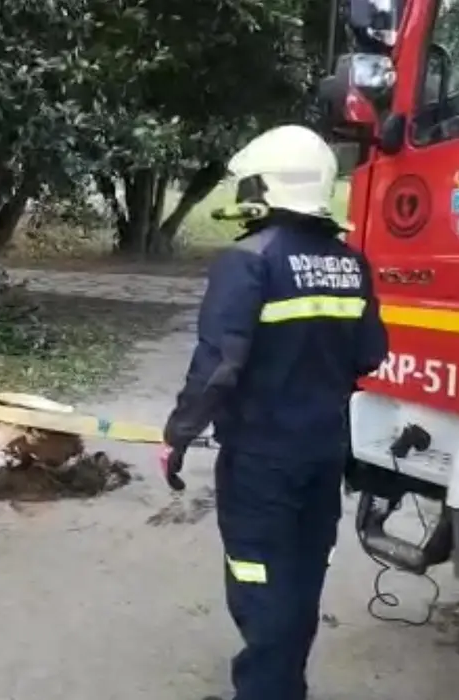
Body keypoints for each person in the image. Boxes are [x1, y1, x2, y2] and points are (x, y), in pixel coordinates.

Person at [158, 125, 388, 700]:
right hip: (323, 452)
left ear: (268, 188)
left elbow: (218, 365)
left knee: (258, 579)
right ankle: (284, 688)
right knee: (303, 578)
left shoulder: (249, 260)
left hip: (261, 459)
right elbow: (372, 354)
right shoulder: (350, 263)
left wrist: (177, 436)